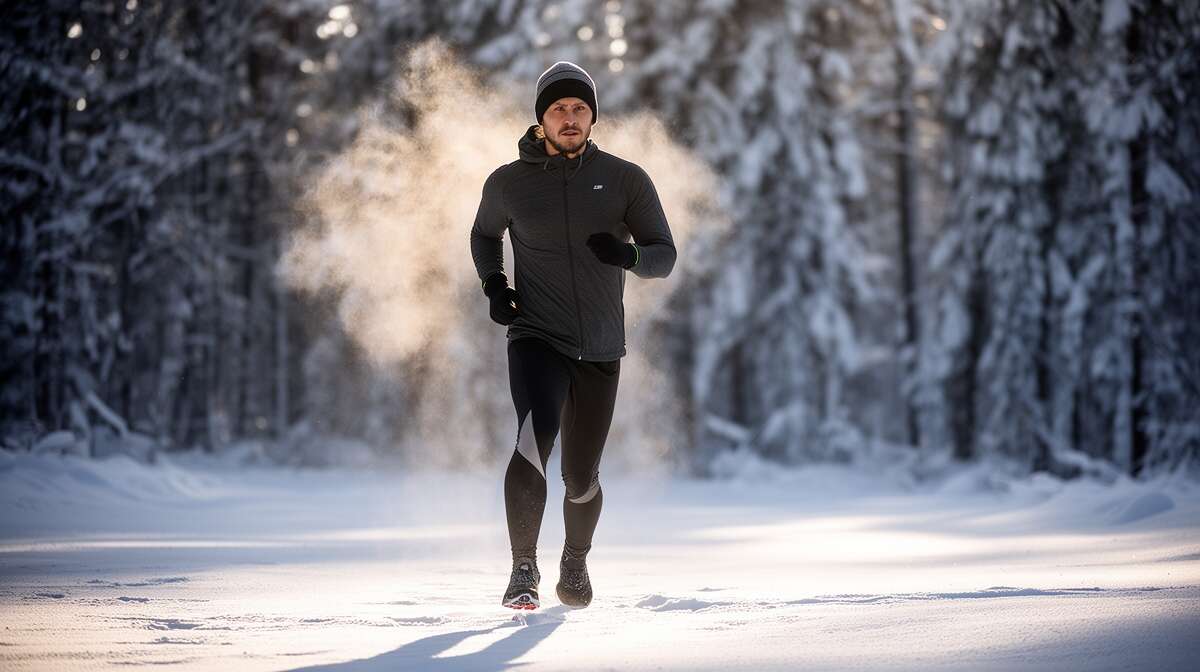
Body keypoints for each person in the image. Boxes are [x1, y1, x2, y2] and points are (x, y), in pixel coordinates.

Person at [469, 61, 676, 610]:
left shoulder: (626, 178)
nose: (569, 117)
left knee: (580, 474)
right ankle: (522, 569)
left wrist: (628, 255)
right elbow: (484, 235)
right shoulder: (508, 183)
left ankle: (575, 561)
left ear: (591, 117)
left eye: (579, 108)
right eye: (558, 108)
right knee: (531, 444)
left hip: (602, 347)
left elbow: (663, 256)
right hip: (536, 335)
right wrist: (495, 285)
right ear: (541, 119)